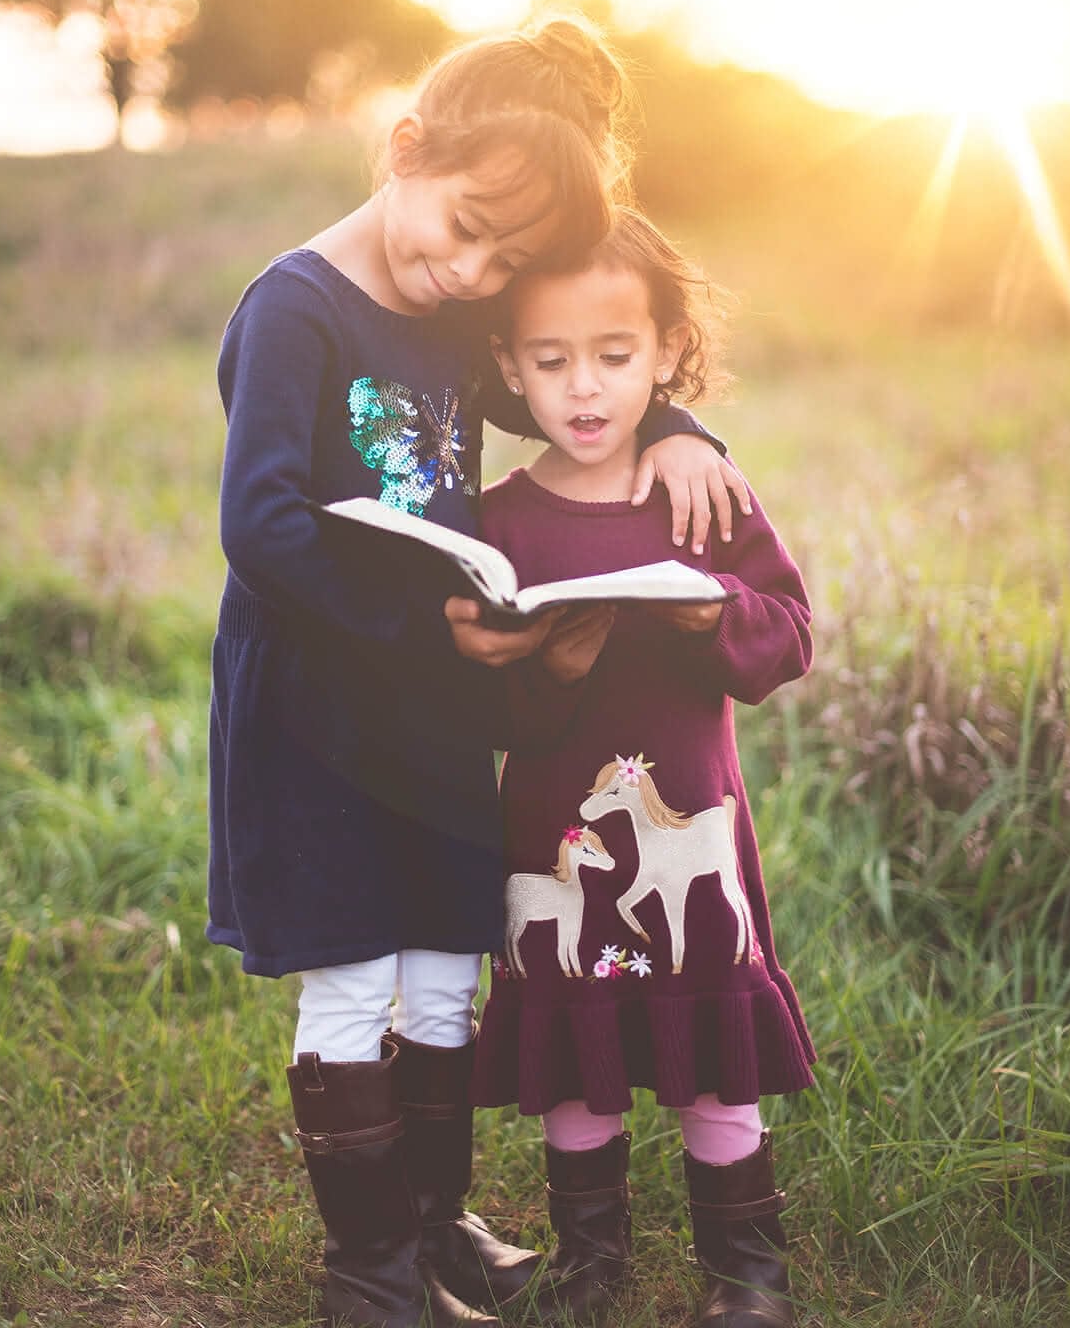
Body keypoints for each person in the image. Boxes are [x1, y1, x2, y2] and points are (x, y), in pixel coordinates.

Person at [206, 19, 750, 1328]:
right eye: (465, 231)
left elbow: (559, 389)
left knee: (450, 962)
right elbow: (260, 525)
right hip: (321, 705)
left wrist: (674, 427)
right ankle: (368, 1274)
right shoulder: (295, 309)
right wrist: (415, 629)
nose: (473, 273)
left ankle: (438, 1222)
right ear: (404, 150)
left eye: (506, 260)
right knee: (352, 971)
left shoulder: (456, 310)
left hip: (438, 706)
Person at [471, 208, 817, 1328]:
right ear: (507, 366)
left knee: (715, 1048)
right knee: (578, 1052)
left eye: (615, 357)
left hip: (692, 824)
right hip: (554, 832)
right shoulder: (502, 523)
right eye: (551, 359)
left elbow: (788, 635)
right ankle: (590, 1266)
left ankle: (747, 1273)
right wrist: (548, 671)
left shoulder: (701, 491)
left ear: (665, 353)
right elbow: (474, 700)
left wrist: (715, 610)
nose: (584, 387)